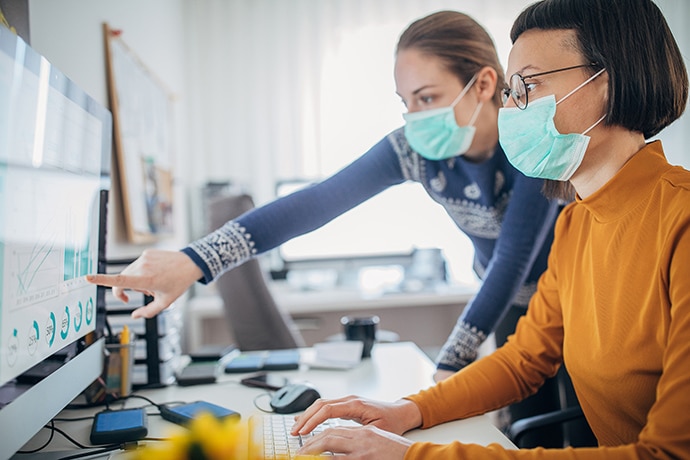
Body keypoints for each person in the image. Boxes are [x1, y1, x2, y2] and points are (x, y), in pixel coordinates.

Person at [88, 10, 563, 436]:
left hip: (565, 299)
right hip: (509, 310)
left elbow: (513, 259)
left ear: (482, 85)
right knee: (528, 428)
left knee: (584, 428)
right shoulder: (413, 149)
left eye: (427, 98)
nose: (413, 117)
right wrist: (193, 261)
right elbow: (314, 204)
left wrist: (449, 367)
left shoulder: (525, 142)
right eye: (406, 101)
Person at [289, 0, 690, 457]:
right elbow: (524, 359)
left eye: (529, 86)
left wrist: (412, 454)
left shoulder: (680, 223)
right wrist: (405, 411)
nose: (512, 110)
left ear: (608, 81)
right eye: (510, 92)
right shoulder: (577, 222)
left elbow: (667, 454)